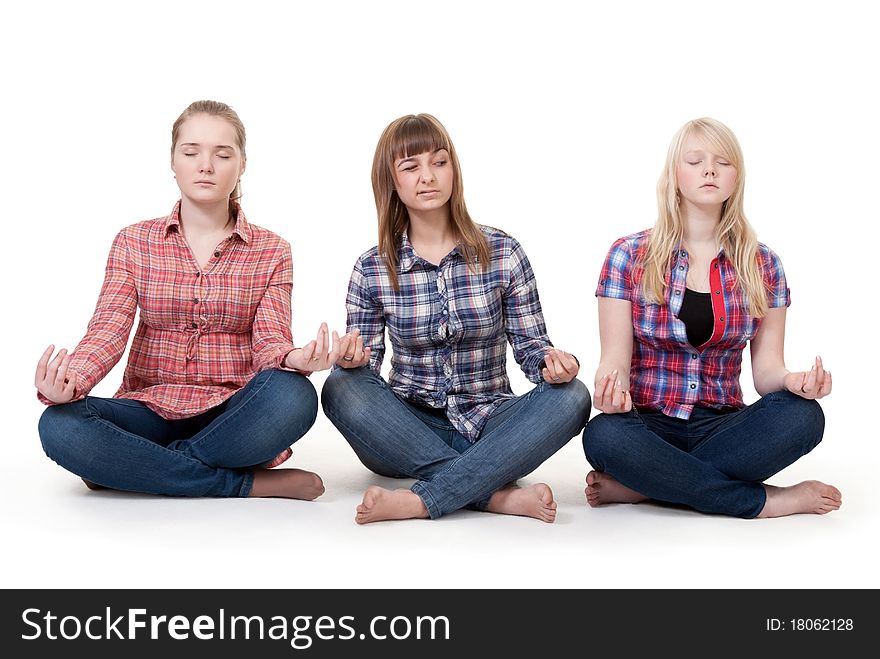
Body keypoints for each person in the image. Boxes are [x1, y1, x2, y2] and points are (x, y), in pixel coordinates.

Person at [36, 100, 350, 500]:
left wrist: (293, 359)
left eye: (222, 154)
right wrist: (70, 381)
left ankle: (134, 467)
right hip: (148, 408)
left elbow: (270, 340)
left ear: (242, 164)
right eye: (191, 152)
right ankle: (239, 483)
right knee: (59, 424)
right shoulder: (134, 242)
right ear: (173, 160)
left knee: (295, 396)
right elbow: (107, 332)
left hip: (233, 413)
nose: (206, 165)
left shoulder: (273, 250)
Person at [321, 113, 591, 524]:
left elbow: (533, 349)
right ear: (392, 182)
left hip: (492, 422)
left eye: (439, 162)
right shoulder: (372, 268)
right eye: (411, 167)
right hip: (407, 428)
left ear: (453, 170)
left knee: (573, 396)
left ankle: (421, 499)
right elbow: (367, 373)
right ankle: (496, 496)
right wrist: (353, 360)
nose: (427, 176)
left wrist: (554, 366)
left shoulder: (502, 252)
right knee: (341, 387)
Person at [582, 117, 841, 519]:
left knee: (804, 416)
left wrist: (794, 382)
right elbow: (613, 362)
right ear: (674, 174)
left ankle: (648, 486)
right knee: (603, 436)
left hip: (721, 426)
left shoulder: (764, 264)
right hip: (649, 425)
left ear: (736, 177)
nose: (709, 170)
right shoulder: (628, 255)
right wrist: (607, 391)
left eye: (723, 162)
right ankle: (767, 502)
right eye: (695, 160)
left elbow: (766, 372)